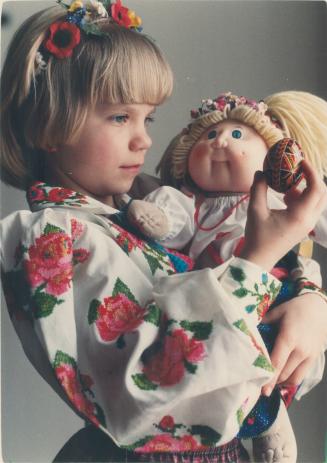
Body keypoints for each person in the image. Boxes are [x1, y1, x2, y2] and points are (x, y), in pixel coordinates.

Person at [1, 1, 327, 461]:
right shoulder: (52, 239)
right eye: (120, 117)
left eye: (147, 118)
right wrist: (253, 262)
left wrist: (310, 300)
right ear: (49, 124)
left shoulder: (149, 203)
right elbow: (148, 392)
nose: (145, 140)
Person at [124, 91, 327, 460]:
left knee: (271, 351)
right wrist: (156, 219)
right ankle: (267, 420)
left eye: (237, 136)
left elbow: (317, 218)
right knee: (242, 350)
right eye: (209, 136)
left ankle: (272, 416)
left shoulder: (283, 201)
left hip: (275, 297)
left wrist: (312, 298)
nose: (219, 143)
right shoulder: (190, 203)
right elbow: (170, 222)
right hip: (221, 297)